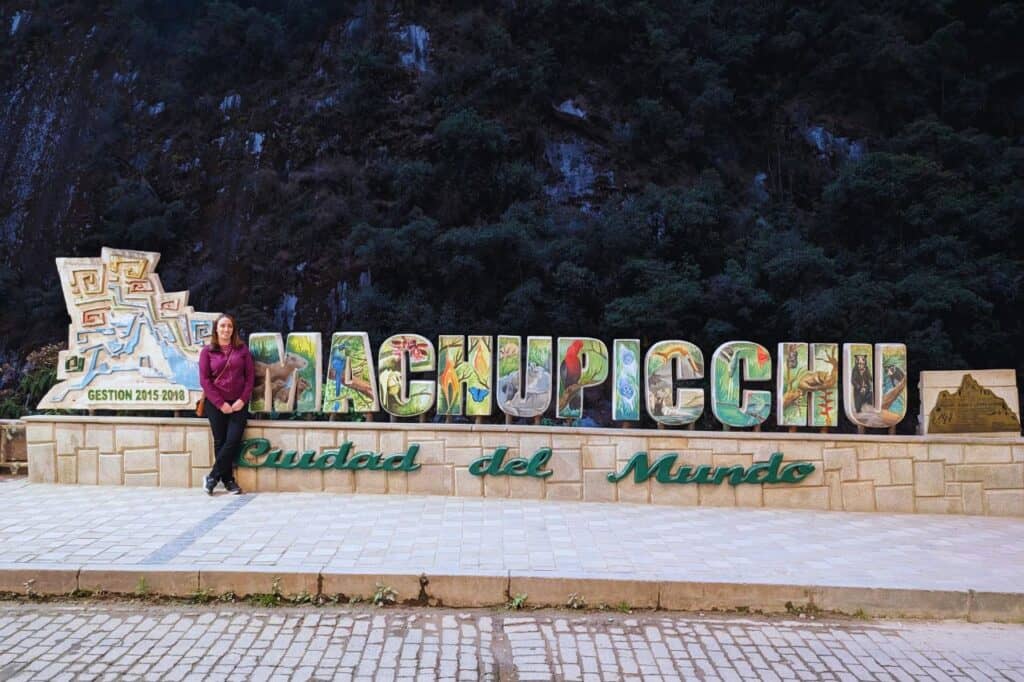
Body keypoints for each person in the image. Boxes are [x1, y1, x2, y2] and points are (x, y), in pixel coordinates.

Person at [199, 314, 254, 495]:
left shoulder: (242, 350)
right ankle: (229, 481)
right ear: (216, 329)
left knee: (232, 440)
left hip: (238, 402)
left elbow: (250, 378)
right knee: (220, 441)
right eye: (222, 326)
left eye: (229, 326)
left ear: (233, 329)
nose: (226, 329)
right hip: (216, 403)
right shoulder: (207, 352)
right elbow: (205, 380)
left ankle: (213, 477)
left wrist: (241, 400)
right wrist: (220, 403)